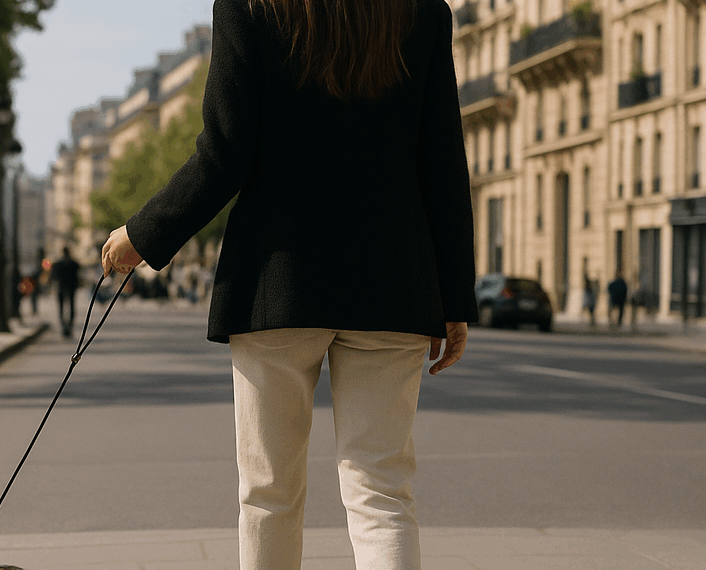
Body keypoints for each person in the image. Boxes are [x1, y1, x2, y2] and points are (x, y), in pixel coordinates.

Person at [100, 1, 477, 569]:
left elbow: (225, 152)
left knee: (269, 497)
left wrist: (143, 235)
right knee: (382, 495)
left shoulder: (250, 8)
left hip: (276, 284)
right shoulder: (420, 11)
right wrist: (453, 296)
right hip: (394, 281)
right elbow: (443, 161)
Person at [50, 246, 81, 338]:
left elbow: (53, 277)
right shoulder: (74, 263)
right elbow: (78, 276)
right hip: (71, 288)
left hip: (61, 287)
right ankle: (69, 326)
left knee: (61, 308)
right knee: (71, 307)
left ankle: (64, 327)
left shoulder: (57, 264)